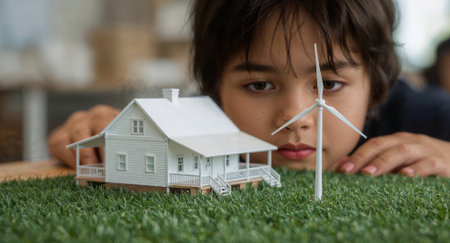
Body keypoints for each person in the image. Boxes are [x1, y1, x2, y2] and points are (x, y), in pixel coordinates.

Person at [48, 0, 450, 177]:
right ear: (214, 90)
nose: (296, 118)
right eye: (259, 84)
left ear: (377, 84)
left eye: (328, 84)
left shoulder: (428, 117)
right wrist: (102, 131)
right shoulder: (192, 127)